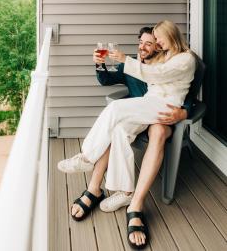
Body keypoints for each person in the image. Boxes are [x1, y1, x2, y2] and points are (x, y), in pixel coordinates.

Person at [58, 21, 196, 249]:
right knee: (120, 132)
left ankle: (86, 158)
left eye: (157, 39)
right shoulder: (163, 56)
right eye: (145, 41)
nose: (155, 44)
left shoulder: (185, 58)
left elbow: (160, 75)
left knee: (114, 109)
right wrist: (102, 64)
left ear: (170, 36)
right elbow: (109, 78)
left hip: (164, 107)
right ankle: (125, 191)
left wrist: (125, 60)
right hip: (147, 105)